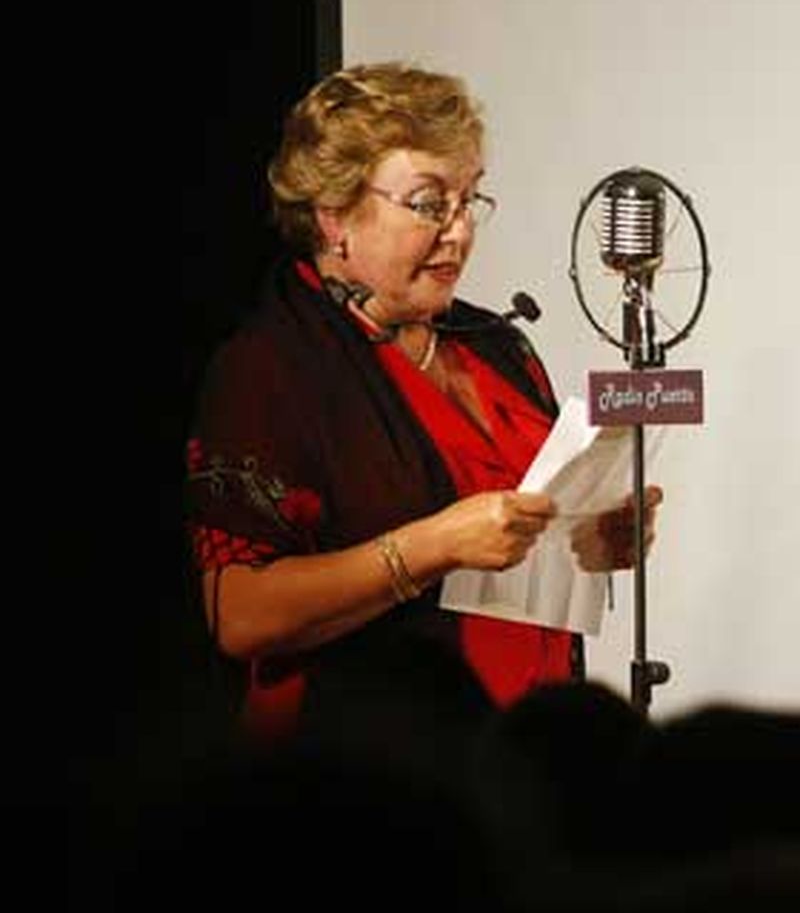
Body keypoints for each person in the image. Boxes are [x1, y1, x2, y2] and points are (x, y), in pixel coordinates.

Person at [183, 61, 660, 743]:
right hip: (368, 776)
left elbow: (520, 540)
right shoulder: (270, 369)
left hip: (522, 761)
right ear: (334, 214)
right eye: (430, 204)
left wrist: (592, 536)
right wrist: (429, 548)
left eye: (469, 202)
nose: (460, 231)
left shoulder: (497, 345)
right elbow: (242, 615)